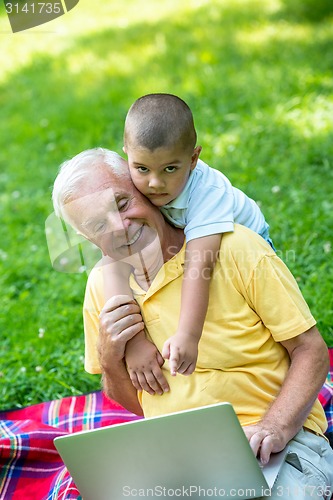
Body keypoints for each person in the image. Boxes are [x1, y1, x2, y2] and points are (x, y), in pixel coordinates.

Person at [52, 148, 333, 498]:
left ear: (146, 189)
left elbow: (312, 351)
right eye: (97, 225)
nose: (119, 227)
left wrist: (275, 426)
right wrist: (110, 356)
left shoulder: (236, 248)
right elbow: (137, 401)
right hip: (181, 461)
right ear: (88, 239)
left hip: (277, 444)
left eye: (122, 204)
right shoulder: (102, 289)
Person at [101, 93, 273, 383]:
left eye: (170, 168)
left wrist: (187, 335)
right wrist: (135, 343)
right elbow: (113, 257)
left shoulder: (208, 193)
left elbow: (200, 265)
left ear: (193, 158)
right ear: (126, 156)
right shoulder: (137, 180)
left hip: (244, 257)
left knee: (223, 302)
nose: (155, 183)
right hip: (185, 244)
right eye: (142, 168)